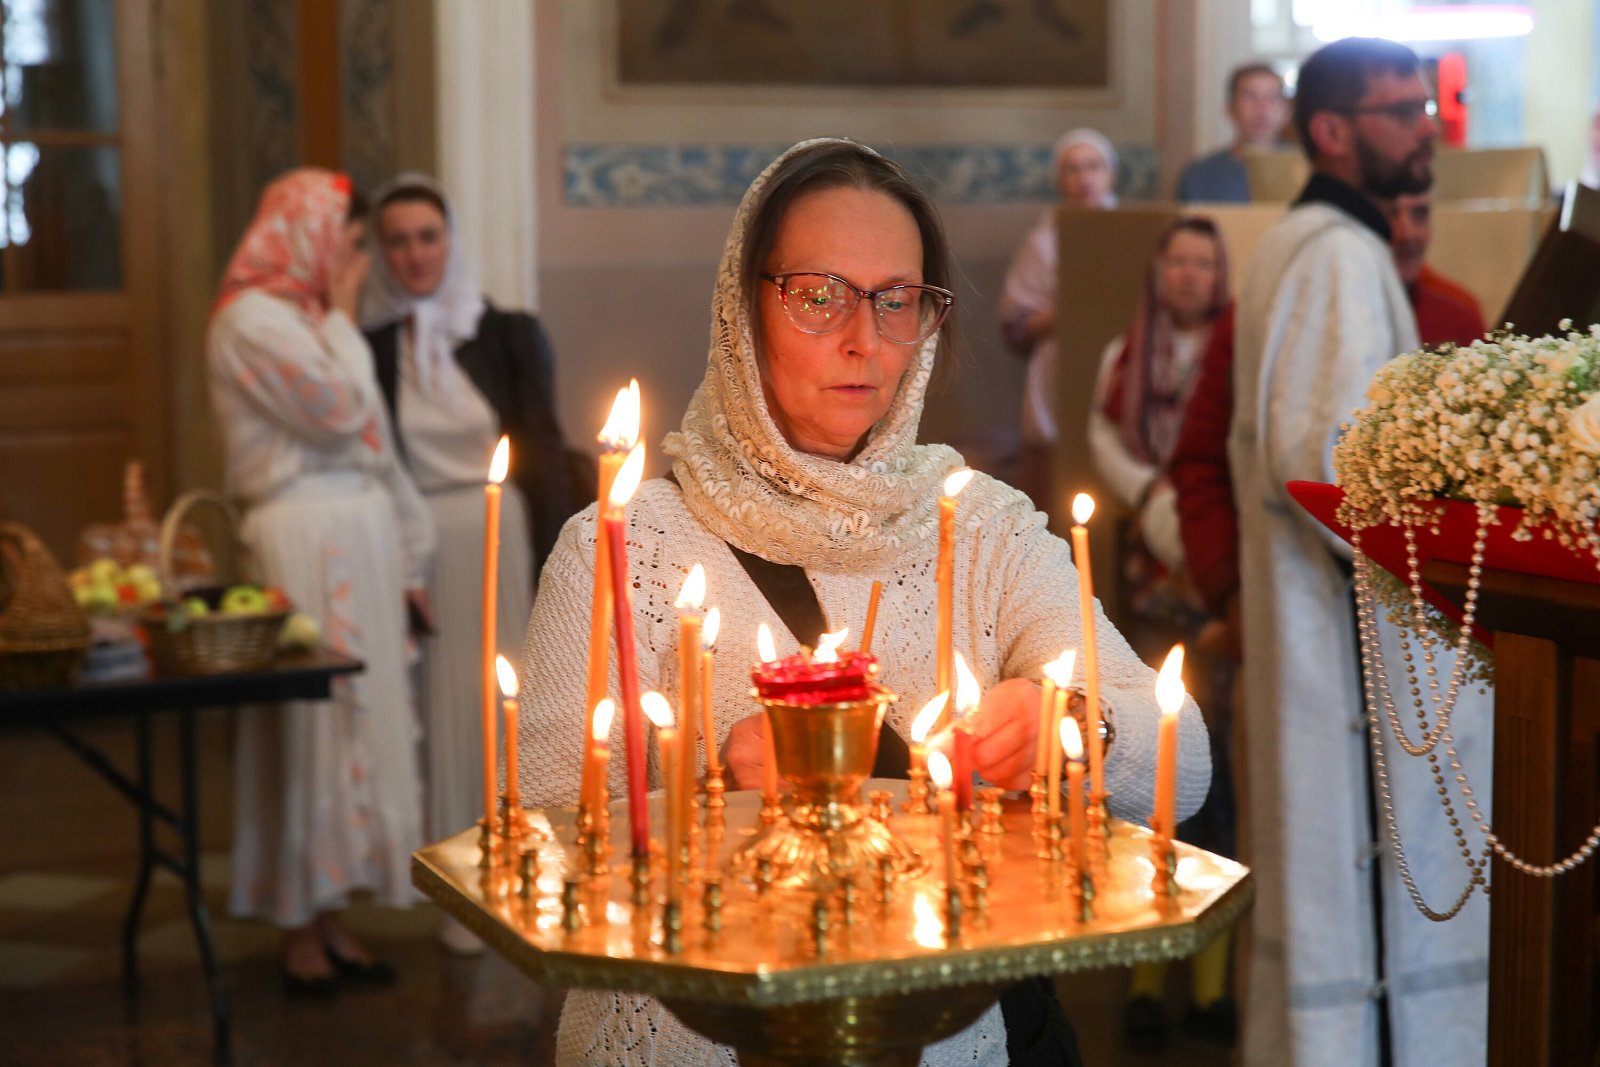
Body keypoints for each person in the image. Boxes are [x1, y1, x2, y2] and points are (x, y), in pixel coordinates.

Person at [517, 138, 1212, 1066]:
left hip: (950, 1036)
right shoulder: (625, 543)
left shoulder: (980, 526)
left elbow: (1186, 755)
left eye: (897, 301)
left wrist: (1071, 726)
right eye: (817, 294)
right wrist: (715, 799)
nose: (863, 339)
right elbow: (550, 857)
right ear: (742, 306)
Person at [1229, 38, 1490, 1067]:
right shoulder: (1336, 253)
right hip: (1350, 664)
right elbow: (1325, 465)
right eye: (1398, 109)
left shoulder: (1315, 243)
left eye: (1422, 105)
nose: (1423, 124)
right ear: (1331, 131)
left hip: (1331, 644)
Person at [207, 168, 434, 994]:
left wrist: (409, 556)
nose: (356, 259)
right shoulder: (250, 323)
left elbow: (372, 446)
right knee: (313, 730)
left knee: (361, 725)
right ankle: (300, 924)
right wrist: (342, 319)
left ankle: (336, 916)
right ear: (306, 235)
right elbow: (340, 409)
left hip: (359, 532)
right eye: (349, 241)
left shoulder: (307, 318)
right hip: (301, 535)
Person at [359, 174, 585, 951]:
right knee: (438, 709)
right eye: (398, 240)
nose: (415, 254)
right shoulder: (370, 346)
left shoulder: (508, 333)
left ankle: (517, 867)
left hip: (504, 533)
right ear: (381, 252)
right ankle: (452, 876)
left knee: (507, 698)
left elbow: (546, 446)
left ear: (450, 241)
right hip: (420, 541)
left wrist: (565, 552)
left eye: (428, 236)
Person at [1084, 218, 1239, 1051]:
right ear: (1159, 269)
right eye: (1177, 259)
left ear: (1221, 273)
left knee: (1213, 783)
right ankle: (1145, 974)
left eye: (1204, 261)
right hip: (1150, 563)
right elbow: (1102, 432)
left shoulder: (1235, 352)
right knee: (1153, 764)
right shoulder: (1124, 352)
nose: (1189, 274)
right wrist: (1150, 493)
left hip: (1213, 572)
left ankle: (1212, 983)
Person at [999, 128, 1120, 508]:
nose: (1085, 178)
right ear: (1060, 179)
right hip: (1058, 373)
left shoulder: (1129, 233)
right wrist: (1070, 315)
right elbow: (1015, 322)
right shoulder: (1043, 242)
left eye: (1093, 167)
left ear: (1110, 174)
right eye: (1073, 169)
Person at [1382, 191, 1487, 345]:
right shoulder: (1341, 304)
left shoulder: (1458, 313)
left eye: (1420, 214)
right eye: (1390, 214)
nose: (1407, 234)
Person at [1176, 63, 1290, 204]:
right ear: (1230, 109)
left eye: (1272, 97)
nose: (1262, 108)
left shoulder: (1304, 173)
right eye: (1250, 96)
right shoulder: (1198, 176)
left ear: (1286, 112)